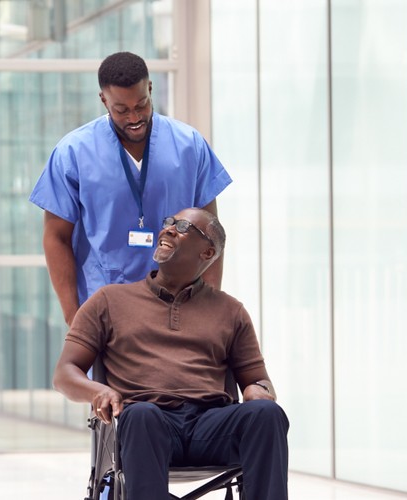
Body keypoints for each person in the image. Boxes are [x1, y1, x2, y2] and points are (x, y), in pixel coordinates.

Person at [52, 208, 289, 500]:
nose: (168, 229)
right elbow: (64, 373)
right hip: (148, 425)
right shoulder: (109, 301)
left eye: (183, 226)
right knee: (140, 414)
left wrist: (257, 390)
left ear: (207, 253)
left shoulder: (231, 311)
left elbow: (260, 382)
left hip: (211, 424)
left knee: (267, 415)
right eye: (168, 223)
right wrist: (97, 392)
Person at [30, 51, 232, 326]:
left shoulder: (189, 145)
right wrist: (74, 318)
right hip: (105, 312)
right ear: (104, 100)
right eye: (121, 110)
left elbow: (211, 235)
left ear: (150, 88)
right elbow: (56, 238)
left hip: (178, 310)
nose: (134, 117)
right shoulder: (73, 153)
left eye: (142, 105)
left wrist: (208, 310)